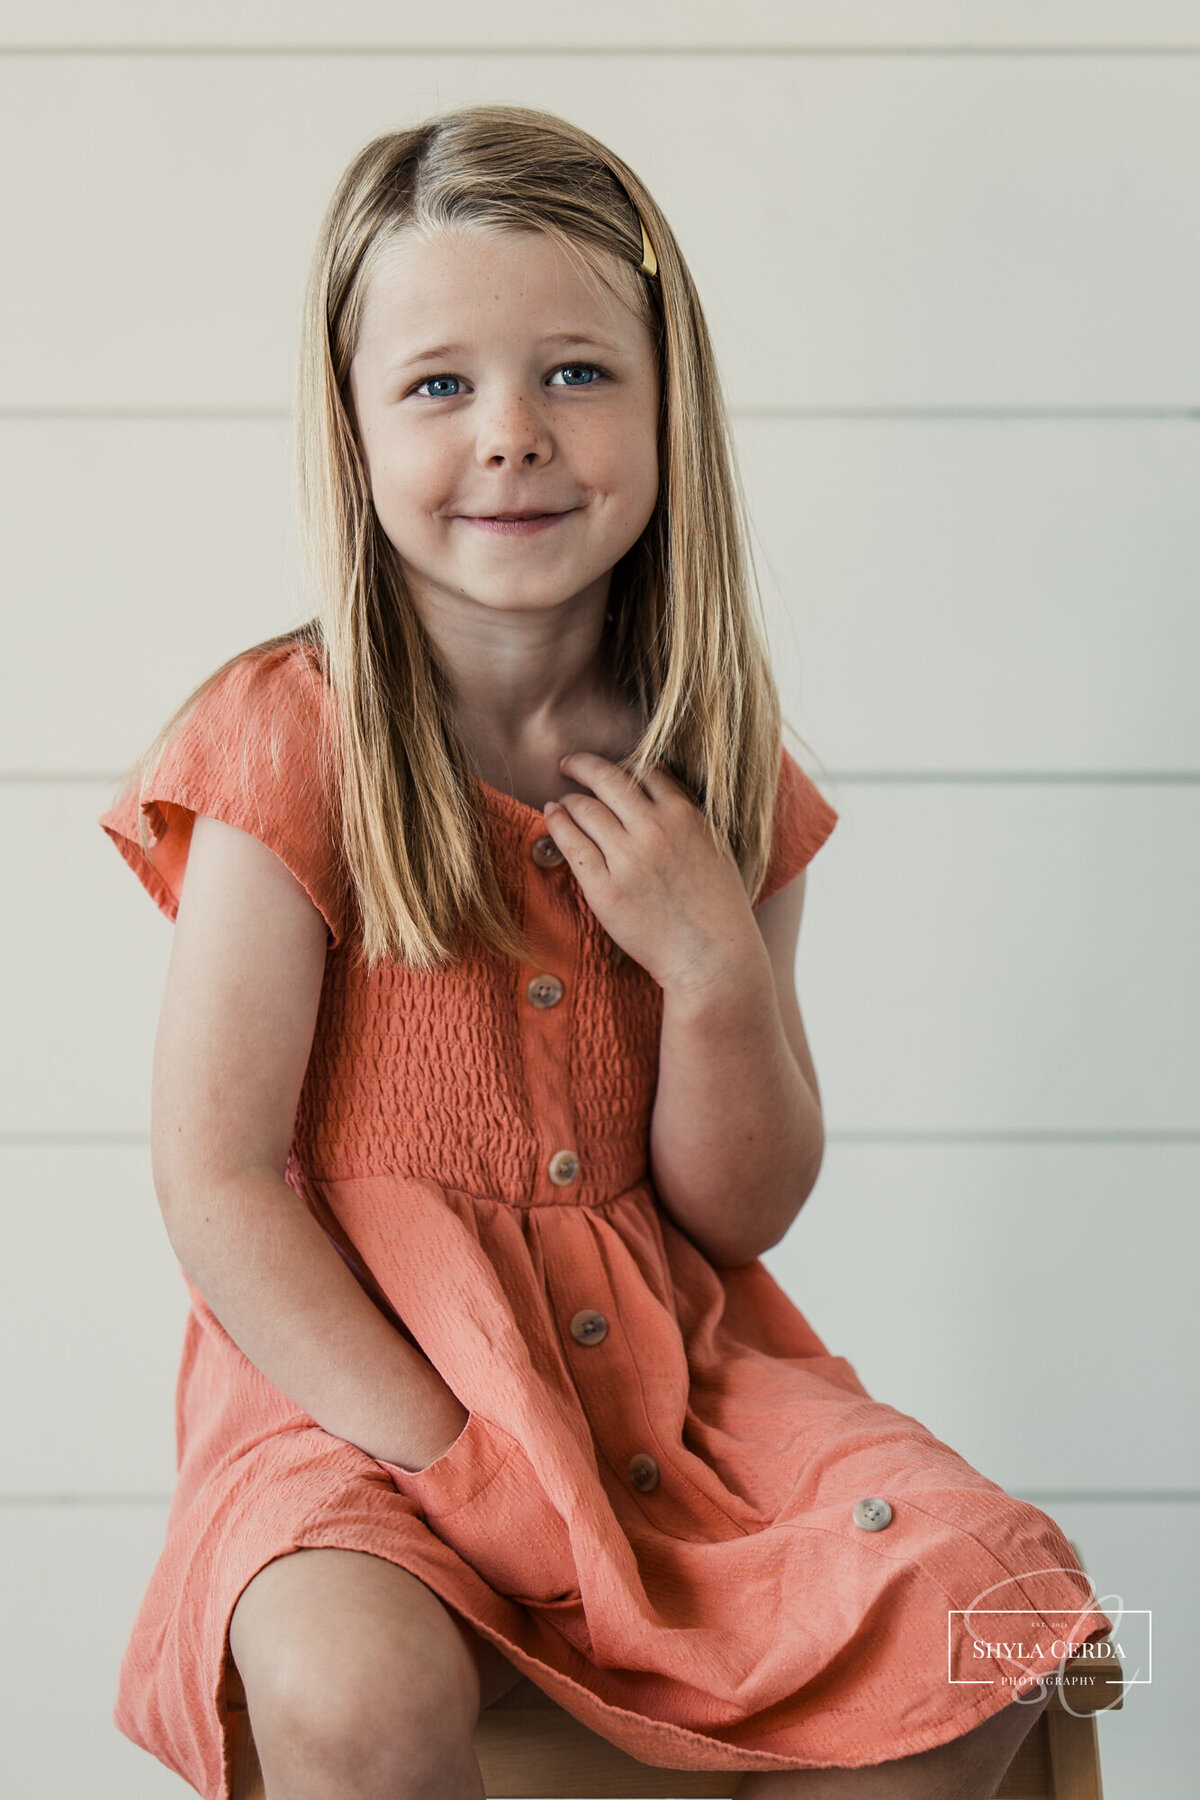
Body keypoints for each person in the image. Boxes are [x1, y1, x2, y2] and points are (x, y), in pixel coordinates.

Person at [99, 102, 1112, 1800]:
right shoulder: (286, 744)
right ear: (350, 435)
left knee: (1003, 1615)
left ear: (667, 411)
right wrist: (454, 1450)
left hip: (670, 1390)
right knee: (355, 1688)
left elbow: (741, 1209)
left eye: (576, 373)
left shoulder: (718, 768)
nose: (513, 436)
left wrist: (717, 971)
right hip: (359, 1396)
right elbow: (217, 1185)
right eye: (440, 384)